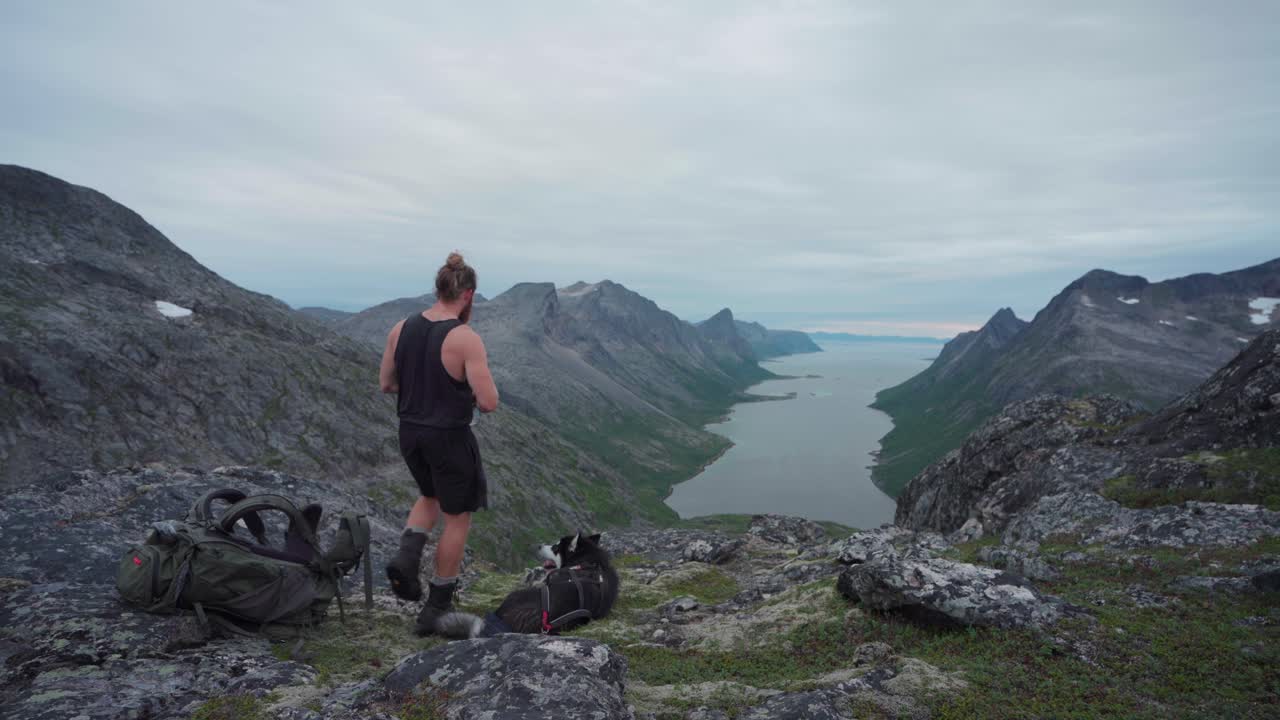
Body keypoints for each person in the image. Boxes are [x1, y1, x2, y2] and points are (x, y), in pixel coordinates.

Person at [379, 251, 499, 634]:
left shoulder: (401, 328)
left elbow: (387, 384)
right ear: (468, 295)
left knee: (428, 494)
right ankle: (436, 608)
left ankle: (406, 559)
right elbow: (488, 401)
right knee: (457, 518)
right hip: (448, 436)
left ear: (438, 288)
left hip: (409, 431)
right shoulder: (464, 338)